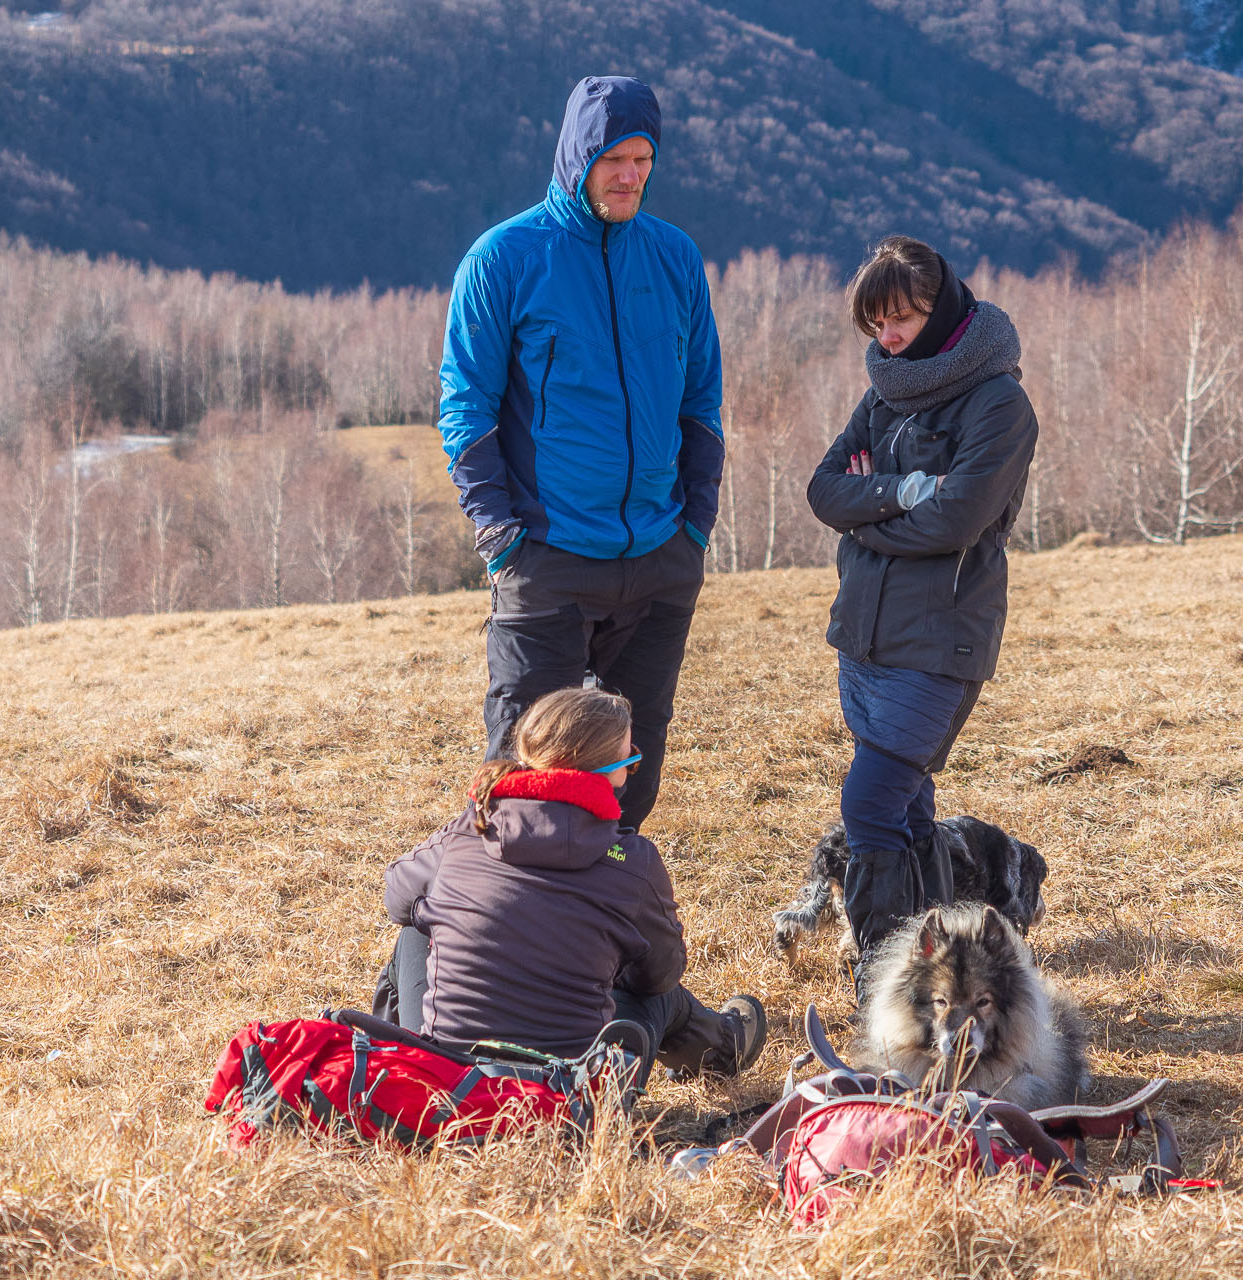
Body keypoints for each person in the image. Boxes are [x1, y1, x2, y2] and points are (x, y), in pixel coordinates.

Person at [437, 75, 725, 832]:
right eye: (612, 160)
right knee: (528, 771)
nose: (629, 175)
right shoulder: (503, 259)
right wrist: (502, 538)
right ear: (577, 156)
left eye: (642, 159)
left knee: (633, 771)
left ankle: (607, 924)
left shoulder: (675, 259)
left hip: (660, 558)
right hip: (549, 558)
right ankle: (511, 932)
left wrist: (694, 526)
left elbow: (702, 405)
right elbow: (464, 410)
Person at [804, 235, 1038, 996]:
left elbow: (958, 521)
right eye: (877, 322)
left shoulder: (999, 403)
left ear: (946, 310)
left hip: (939, 639)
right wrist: (904, 492)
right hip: (865, 635)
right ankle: (942, 967)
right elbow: (823, 491)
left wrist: (865, 511)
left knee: (869, 803)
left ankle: (882, 980)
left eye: (904, 316)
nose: (890, 336)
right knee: (907, 811)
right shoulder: (885, 392)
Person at [375, 686, 765, 1080]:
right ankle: (723, 1047)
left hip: (451, 1089)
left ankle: (398, 1072)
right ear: (606, 773)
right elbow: (661, 974)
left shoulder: (470, 828)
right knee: (663, 997)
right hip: (571, 1104)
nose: (632, 772)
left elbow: (397, 896)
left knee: (414, 931)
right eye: (630, 763)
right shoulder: (634, 862)